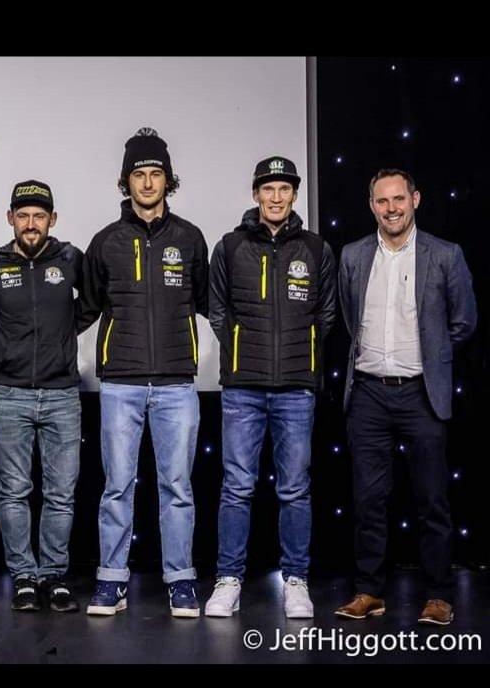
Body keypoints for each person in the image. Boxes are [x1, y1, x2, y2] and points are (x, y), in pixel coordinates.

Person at [334, 169, 476, 626]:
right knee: (368, 501)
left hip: (421, 393)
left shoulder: (445, 254)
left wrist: (431, 355)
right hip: (368, 394)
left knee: (432, 500)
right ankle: (369, 591)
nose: (391, 208)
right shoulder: (353, 255)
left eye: (399, 199)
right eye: (382, 201)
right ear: (371, 205)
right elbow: (348, 317)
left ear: (415, 199)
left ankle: (438, 595)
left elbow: (464, 322)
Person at [79, 128, 209, 618]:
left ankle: (181, 580)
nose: (148, 182)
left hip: (177, 383)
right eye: (139, 174)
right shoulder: (105, 242)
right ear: (126, 181)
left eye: (156, 174)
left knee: (177, 488)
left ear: (168, 180)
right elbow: (86, 308)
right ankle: (111, 580)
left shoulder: (190, 238)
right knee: (117, 487)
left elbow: (208, 302)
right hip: (121, 383)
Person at [203, 156, 336, 619]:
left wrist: (302, 353)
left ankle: (296, 580)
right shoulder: (230, 246)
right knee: (237, 487)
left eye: (284, 189)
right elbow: (217, 310)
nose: (276, 197)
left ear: (294, 195)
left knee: (295, 489)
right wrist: (242, 350)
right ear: (255, 194)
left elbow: (326, 315)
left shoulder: (316, 249)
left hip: (297, 388)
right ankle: (228, 580)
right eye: (268, 189)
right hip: (243, 387)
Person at [0, 180, 83, 612]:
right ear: (10, 218)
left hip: (62, 394)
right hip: (9, 393)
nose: (31, 223)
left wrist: (61, 339)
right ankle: (24, 577)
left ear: (53, 219)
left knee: (60, 493)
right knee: (14, 490)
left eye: (39, 216)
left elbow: (91, 304)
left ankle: (53, 574)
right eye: (23, 215)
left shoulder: (71, 259)